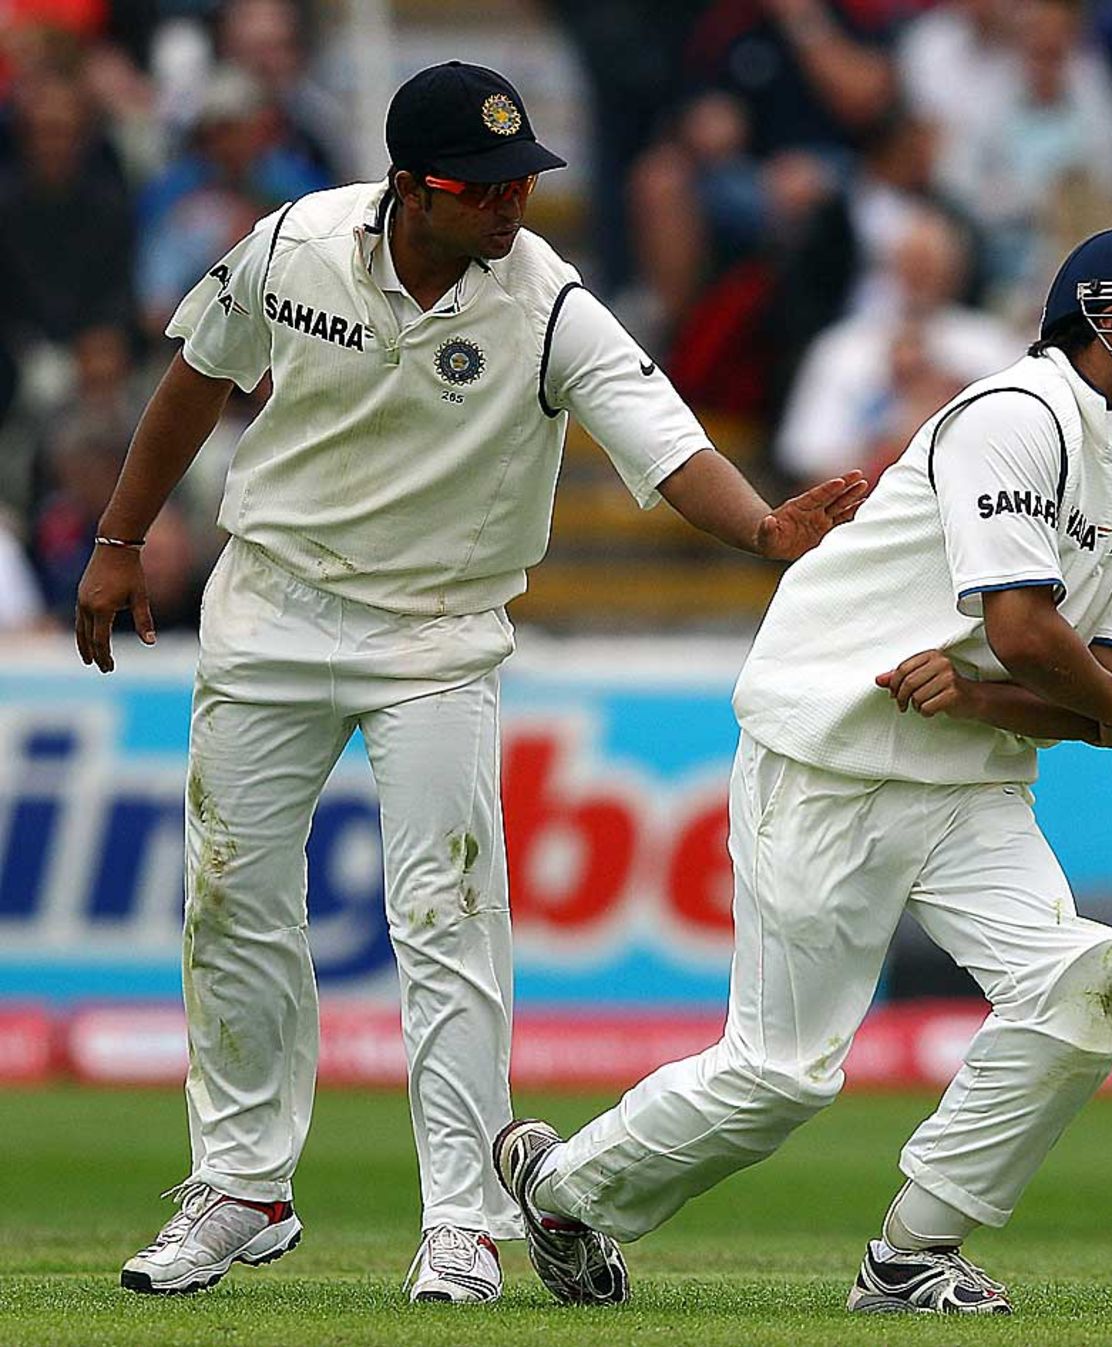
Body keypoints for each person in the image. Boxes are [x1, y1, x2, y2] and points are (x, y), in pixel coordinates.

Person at [73, 61, 865, 1304]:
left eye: (521, 184)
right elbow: (193, 376)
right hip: (270, 605)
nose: (510, 207)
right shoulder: (295, 243)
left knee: (443, 918)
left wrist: (764, 531)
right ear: (408, 188)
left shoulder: (546, 302)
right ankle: (241, 1187)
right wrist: (120, 542)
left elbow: (663, 442)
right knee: (232, 902)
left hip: (435, 633)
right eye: (482, 187)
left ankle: (463, 1219)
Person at [492, 225, 1112, 1314]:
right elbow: (1034, 634)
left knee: (1072, 980)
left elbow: (1090, 717)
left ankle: (909, 1256)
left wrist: (996, 699)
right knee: (779, 1073)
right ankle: (564, 1191)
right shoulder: (1014, 417)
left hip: (970, 775)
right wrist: (1089, 694)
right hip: (831, 752)